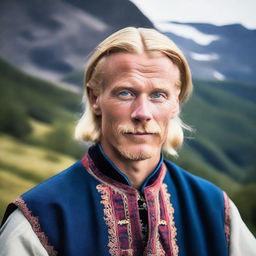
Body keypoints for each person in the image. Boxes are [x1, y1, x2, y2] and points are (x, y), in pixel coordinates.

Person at [0, 27, 255, 256]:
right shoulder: (38, 220)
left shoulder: (217, 211)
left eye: (158, 95)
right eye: (125, 92)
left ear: (176, 102)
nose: (142, 112)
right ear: (95, 98)